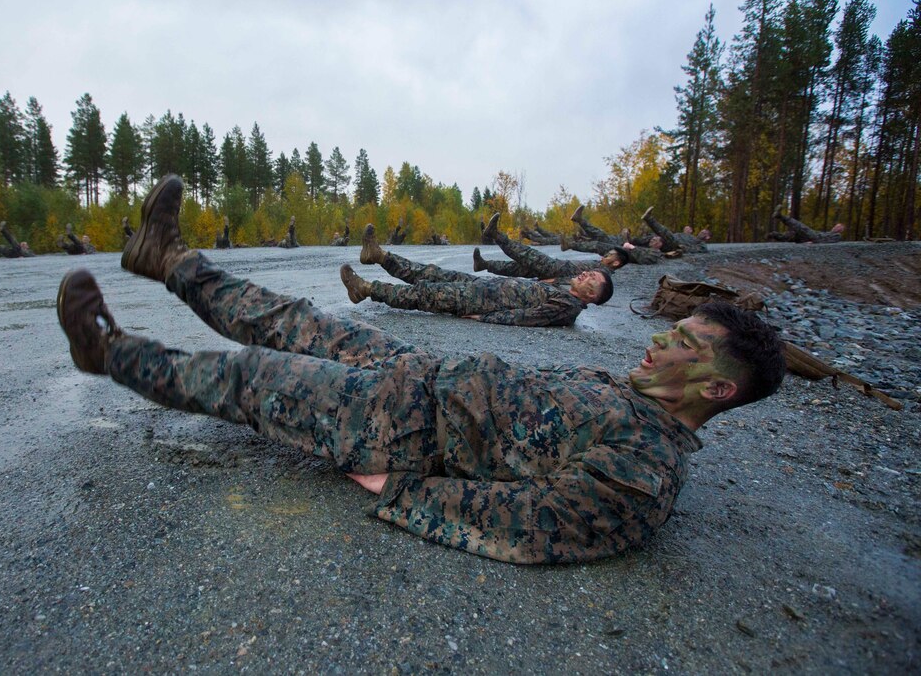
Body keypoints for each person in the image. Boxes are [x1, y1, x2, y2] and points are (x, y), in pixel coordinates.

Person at [59, 174, 787, 564]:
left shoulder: (644, 472)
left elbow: (532, 524)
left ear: (717, 389)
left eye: (684, 346)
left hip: (400, 426)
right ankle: (167, 259)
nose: (660, 344)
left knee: (252, 377)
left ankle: (107, 349)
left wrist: (404, 487)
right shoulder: (628, 394)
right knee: (287, 318)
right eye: (674, 332)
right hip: (416, 371)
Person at [339, 224, 612, 327]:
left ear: (594, 296)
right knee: (431, 273)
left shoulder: (569, 307)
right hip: (482, 286)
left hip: (480, 302)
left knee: (423, 293)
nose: (587, 274)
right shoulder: (566, 286)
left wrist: (486, 317)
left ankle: (364, 288)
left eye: (593, 279)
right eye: (590, 273)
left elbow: (529, 317)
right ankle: (379, 256)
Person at [473, 212, 628, 279]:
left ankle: (495, 235)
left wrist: (556, 281)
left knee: (526, 254)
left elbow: (583, 281)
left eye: (609, 255)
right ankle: (484, 264)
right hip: (555, 268)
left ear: (616, 262)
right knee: (519, 268)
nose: (605, 255)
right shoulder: (602, 268)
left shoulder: (603, 274)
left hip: (555, 270)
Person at [641, 207, 707, 254]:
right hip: (669, 239)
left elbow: (699, 250)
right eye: (701, 231)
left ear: (708, 237)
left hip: (674, 244)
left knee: (666, 233)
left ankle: (648, 218)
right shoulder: (690, 236)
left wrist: (684, 248)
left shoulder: (701, 244)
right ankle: (631, 242)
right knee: (649, 238)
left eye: (704, 233)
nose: (701, 232)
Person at [767, 207, 844, 243]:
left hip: (815, 237)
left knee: (801, 227)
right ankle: (774, 235)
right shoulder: (830, 233)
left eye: (838, 227)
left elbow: (825, 240)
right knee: (793, 236)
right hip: (814, 237)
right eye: (835, 226)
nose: (835, 228)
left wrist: (814, 242)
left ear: (840, 230)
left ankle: (780, 216)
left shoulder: (837, 236)